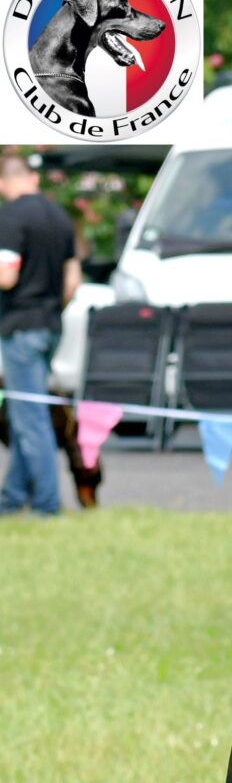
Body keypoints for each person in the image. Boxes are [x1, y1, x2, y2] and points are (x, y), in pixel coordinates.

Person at [0, 151, 80, 519]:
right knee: (25, 415)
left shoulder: (10, 217)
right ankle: (11, 498)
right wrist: (51, 308)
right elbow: (72, 281)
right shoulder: (60, 218)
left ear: (4, 183)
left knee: (30, 419)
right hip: (50, 325)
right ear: (33, 178)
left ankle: (47, 504)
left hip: (21, 328)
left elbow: (7, 277)